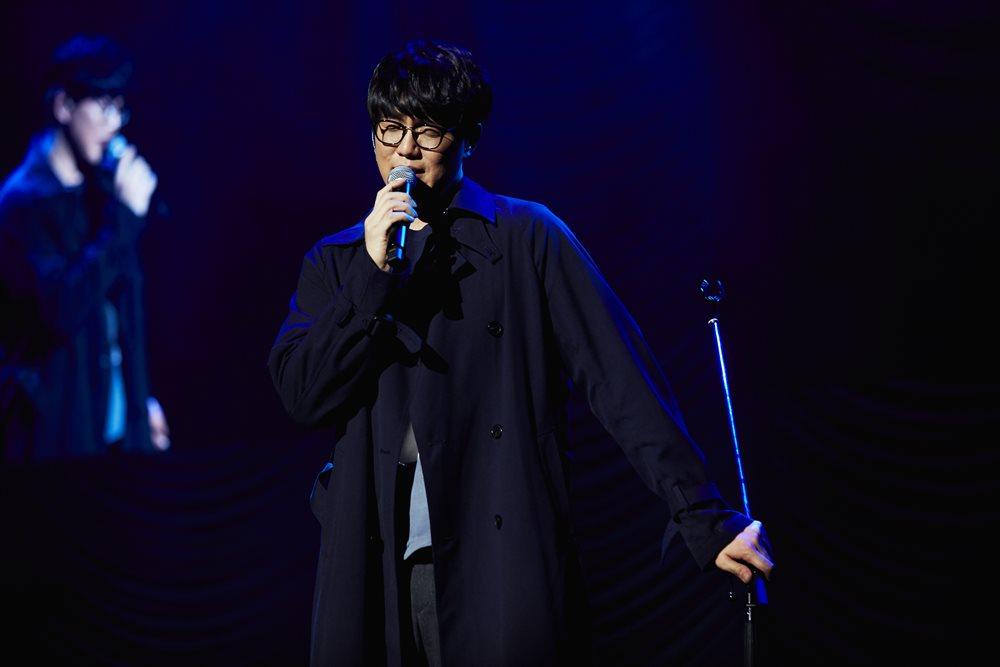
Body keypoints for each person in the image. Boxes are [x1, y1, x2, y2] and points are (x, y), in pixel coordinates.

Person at [269, 40, 774, 667]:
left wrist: (703, 517)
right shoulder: (339, 261)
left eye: (428, 131)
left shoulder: (527, 238)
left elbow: (622, 383)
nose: (405, 150)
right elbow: (303, 394)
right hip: (376, 570)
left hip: (496, 561)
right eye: (390, 129)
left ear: (469, 138)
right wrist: (371, 279)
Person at [0, 35, 169, 461]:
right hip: (57, 438)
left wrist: (139, 400)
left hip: (116, 431)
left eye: (120, 108)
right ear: (63, 106)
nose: (116, 123)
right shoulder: (22, 205)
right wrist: (123, 219)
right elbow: (59, 310)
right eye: (104, 106)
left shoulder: (103, 195)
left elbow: (118, 317)